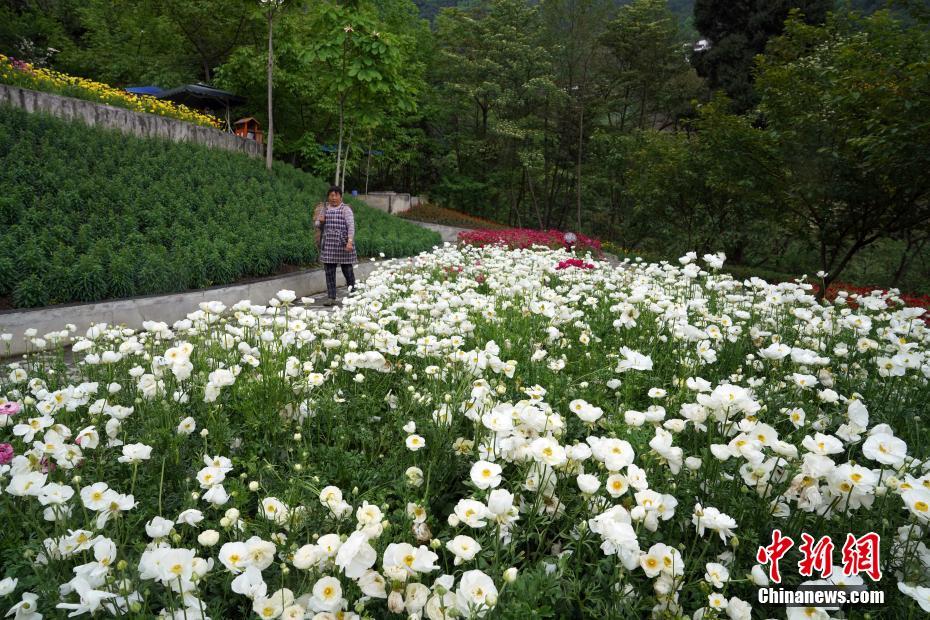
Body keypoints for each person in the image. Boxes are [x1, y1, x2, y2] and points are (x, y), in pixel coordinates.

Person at [315, 186, 357, 306]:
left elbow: (351, 227)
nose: (333, 198)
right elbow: (317, 224)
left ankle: (353, 292)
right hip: (328, 244)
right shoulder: (324, 209)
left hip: (343, 243)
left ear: (340, 196)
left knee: (347, 270)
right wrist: (320, 221)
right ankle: (331, 297)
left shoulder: (346, 209)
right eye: (331, 195)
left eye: (336, 195)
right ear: (328, 197)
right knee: (329, 272)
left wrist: (349, 242)